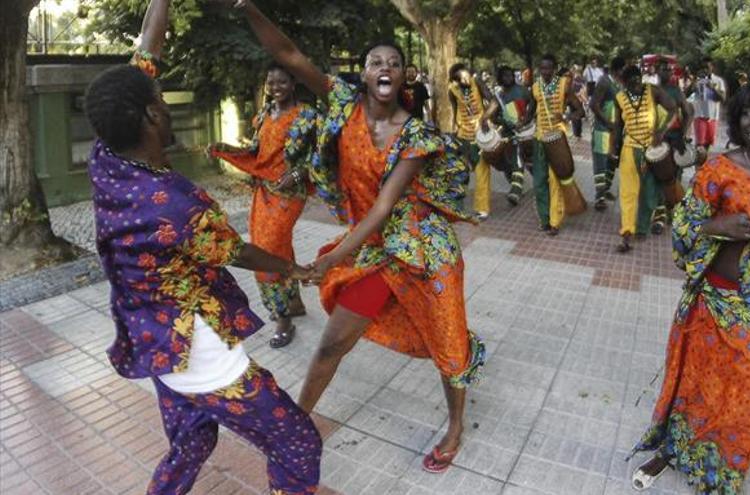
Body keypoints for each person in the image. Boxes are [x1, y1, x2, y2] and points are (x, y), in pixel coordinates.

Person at [228, 0, 485, 474]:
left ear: (404, 76)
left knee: (449, 345)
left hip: (424, 252)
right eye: (375, 62)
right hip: (375, 253)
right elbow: (289, 55)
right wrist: (247, 8)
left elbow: (385, 208)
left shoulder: (416, 135)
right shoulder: (342, 105)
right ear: (363, 75)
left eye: (393, 62)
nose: (384, 68)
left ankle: (454, 427)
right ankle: (299, 422)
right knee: (331, 343)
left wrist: (329, 261)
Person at [83, 1, 322, 493]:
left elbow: (146, 50)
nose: (167, 103)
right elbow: (239, 252)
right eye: (163, 99)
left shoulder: (105, 155)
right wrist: (295, 271)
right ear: (152, 113)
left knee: (193, 441)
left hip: (152, 341)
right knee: (298, 441)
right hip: (199, 354)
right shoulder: (177, 205)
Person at [629, 78, 750, 494]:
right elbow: (683, 227)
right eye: (748, 111)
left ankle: (724, 475)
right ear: (736, 117)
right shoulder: (719, 169)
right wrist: (716, 225)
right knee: (697, 387)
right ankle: (675, 451)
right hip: (713, 304)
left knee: (748, 396)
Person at [208, 64, 317, 348]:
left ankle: (281, 318)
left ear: (293, 83)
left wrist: (296, 174)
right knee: (276, 247)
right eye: (270, 82)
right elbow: (255, 152)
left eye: (281, 81)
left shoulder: (307, 115)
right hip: (262, 191)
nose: (275, 87)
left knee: (266, 251)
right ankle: (293, 302)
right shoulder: (265, 114)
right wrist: (225, 149)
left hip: (288, 195)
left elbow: (323, 156)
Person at [612, 65, 677, 253]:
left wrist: (661, 131)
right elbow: (618, 125)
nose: (635, 84)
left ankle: (642, 227)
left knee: (649, 192)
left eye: (637, 80)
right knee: (627, 192)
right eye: (630, 82)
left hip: (651, 149)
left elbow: (673, 109)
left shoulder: (653, 91)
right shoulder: (620, 98)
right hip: (629, 149)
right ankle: (626, 232)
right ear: (624, 83)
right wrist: (612, 148)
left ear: (641, 78)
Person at [531, 53, 585, 235]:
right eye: (542, 68)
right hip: (539, 139)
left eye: (548, 68)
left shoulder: (564, 86)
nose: (545, 71)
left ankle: (555, 221)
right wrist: (521, 123)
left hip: (557, 140)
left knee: (555, 181)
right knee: (539, 182)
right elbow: (532, 111)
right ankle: (544, 219)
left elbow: (580, 110)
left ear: (554, 69)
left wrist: (566, 116)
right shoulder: (535, 87)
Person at [646, 58, 694, 235]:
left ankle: (672, 212)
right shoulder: (650, 90)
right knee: (657, 178)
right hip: (655, 141)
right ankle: (660, 216)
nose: (667, 72)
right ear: (656, 70)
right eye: (663, 69)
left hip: (674, 139)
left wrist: (682, 135)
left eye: (669, 69)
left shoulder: (676, 91)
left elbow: (688, 113)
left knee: (673, 178)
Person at [480, 65, 533, 205]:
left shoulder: (523, 91)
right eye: (505, 76)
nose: (508, 78)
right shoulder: (499, 96)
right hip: (510, 134)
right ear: (500, 78)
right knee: (511, 160)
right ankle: (515, 189)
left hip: (527, 131)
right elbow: (492, 116)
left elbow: (534, 106)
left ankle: (526, 188)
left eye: (510, 75)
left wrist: (526, 119)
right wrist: (488, 120)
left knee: (531, 163)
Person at [448, 63, 496, 220]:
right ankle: (456, 203)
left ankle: (482, 208)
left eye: (466, 75)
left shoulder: (478, 83)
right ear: (456, 80)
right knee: (460, 169)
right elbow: (455, 110)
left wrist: (485, 117)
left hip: (480, 134)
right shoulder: (452, 90)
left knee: (482, 170)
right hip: (463, 135)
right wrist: (454, 128)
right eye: (462, 78)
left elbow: (494, 103)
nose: (466, 79)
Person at [589, 56, 626, 211]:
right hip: (602, 129)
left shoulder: (621, 83)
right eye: (624, 68)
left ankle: (605, 189)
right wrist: (607, 122)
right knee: (601, 162)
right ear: (618, 69)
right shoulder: (604, 81)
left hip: (616, 131)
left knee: (612, 162)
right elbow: (594, 104)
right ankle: (599, 197)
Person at [692, 58, 726, 152]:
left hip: (713, 116)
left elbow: (723, 98)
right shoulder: (697, 81)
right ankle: (699, 166)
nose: (705, 70)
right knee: (699, 147)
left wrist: (713, 88)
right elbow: (686, 94)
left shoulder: (718, 81)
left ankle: (703, 165)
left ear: (712, 67)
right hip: (700, 116)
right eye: (703, 68)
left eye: (707, 67)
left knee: (708, 145)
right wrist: (694, 81)